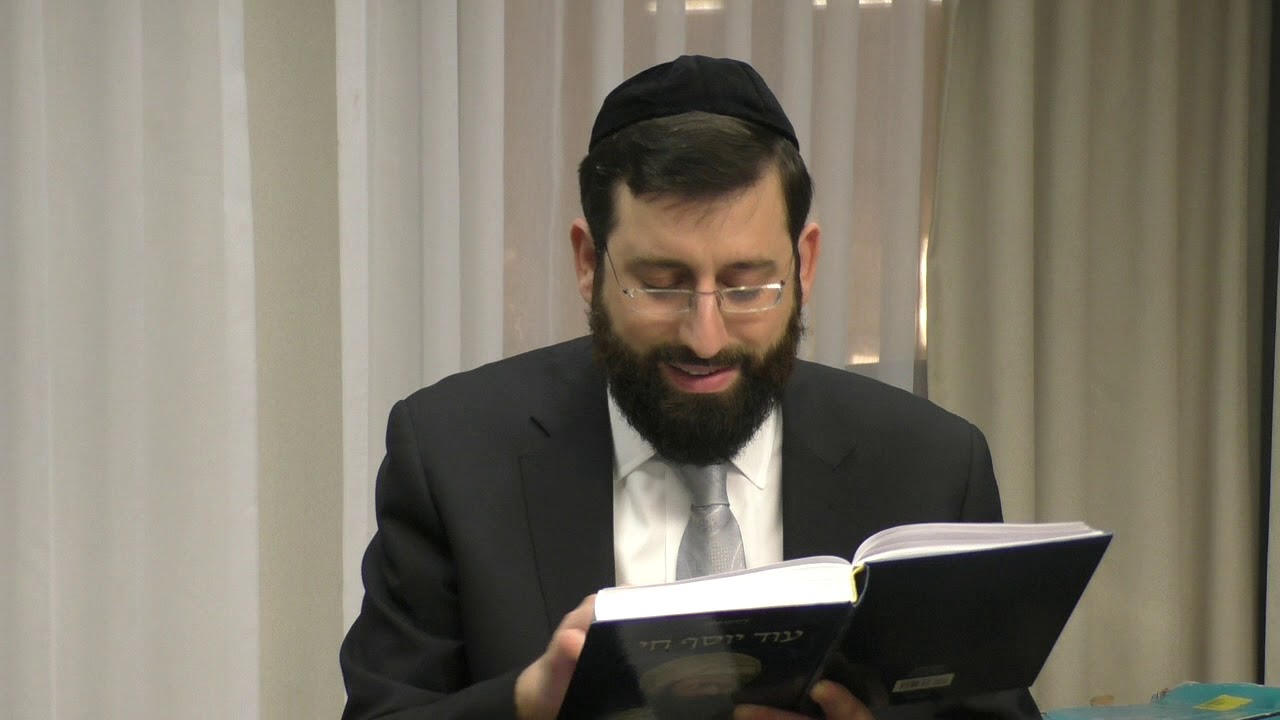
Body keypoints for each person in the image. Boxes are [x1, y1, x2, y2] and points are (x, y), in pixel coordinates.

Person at [340, 55, 1031, 720]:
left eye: (746, 287)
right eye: (661, 285)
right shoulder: (451, 456)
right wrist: (526, 705)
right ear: (589, 263)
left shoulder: (934, 468)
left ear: (805, 264)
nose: (705, 338)